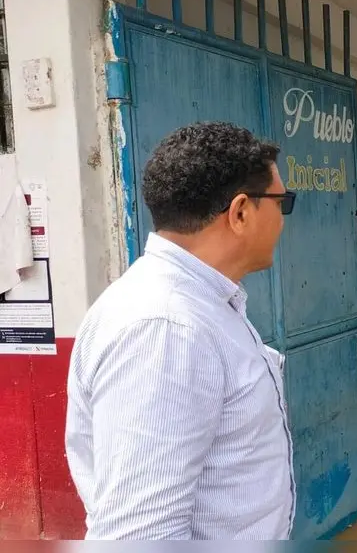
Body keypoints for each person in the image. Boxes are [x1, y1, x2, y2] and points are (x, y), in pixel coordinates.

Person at [65, 121, 297, 539]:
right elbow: (140, 534)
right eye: (282, 203)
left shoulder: (200, 304)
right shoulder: (166, 328)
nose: (282, 220)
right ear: (241, 212)